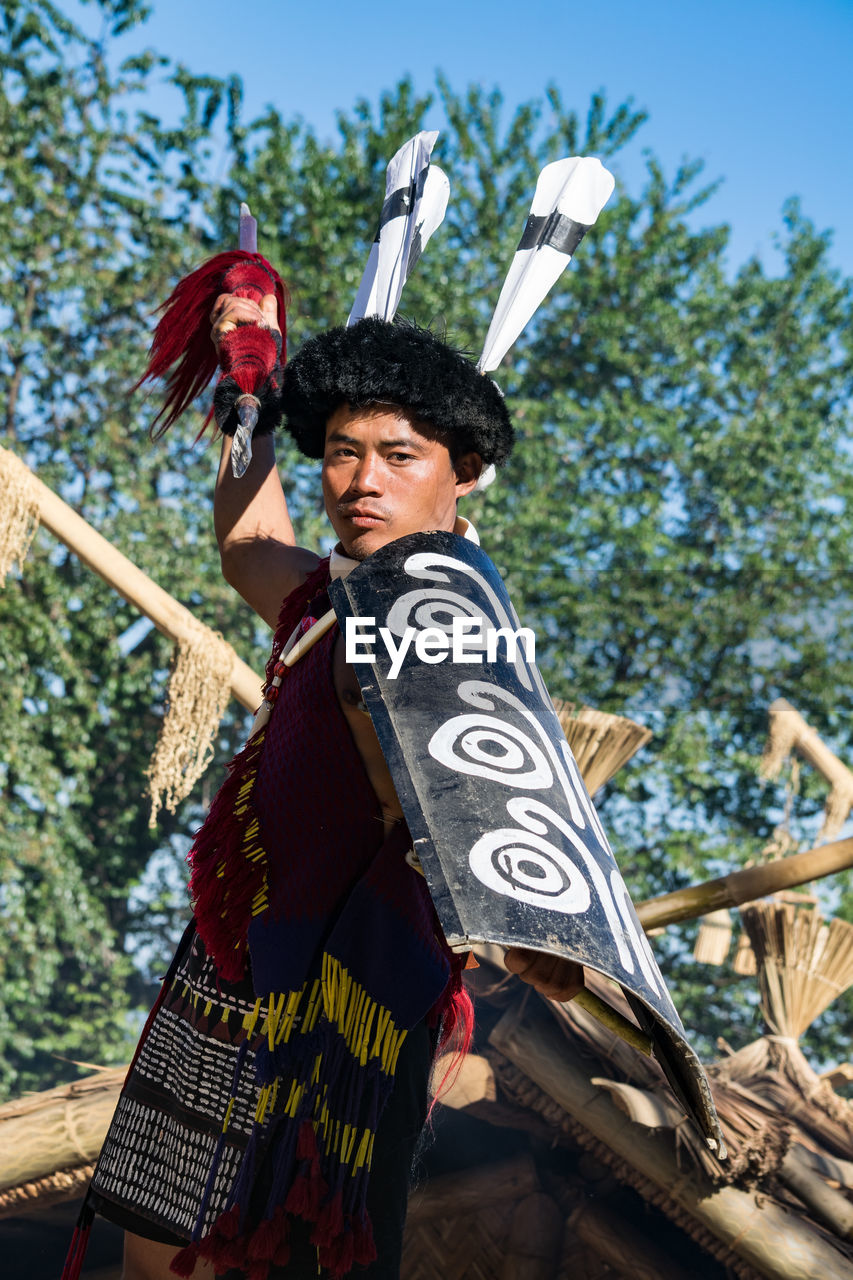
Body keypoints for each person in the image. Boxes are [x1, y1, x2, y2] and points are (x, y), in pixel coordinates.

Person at [69, 294, 583, 1280]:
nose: (363, 479)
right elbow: (246, 541)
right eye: (343, 452)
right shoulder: (322, 600)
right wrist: (246, 388)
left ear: (462, 472)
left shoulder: (457, 625)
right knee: (156, 1249)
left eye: (400, 454)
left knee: (288, 1254)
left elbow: (463, 784)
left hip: (343, 1008)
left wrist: (526, 919)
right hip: (233, 965)